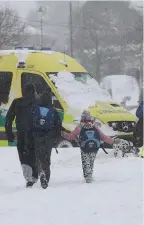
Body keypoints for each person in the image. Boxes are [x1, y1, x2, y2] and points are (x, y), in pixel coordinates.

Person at [61, 110, 121, 183]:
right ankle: (90, 175)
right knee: (91, 162)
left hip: (84, 148)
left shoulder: (79, 127)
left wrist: (64, 134)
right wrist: (113, 141)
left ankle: (87, 177)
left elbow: (71, 136)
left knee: (85, 162)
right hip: (94, 148)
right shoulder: (94, 126)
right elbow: (103, 137)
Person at [5, 83, 38, 187]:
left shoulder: (17, 102)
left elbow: (8, 119)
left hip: (22, 134)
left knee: (23, 156)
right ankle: (36, 175)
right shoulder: (38, 101)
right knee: (34, 155)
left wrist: (9, 134)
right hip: (36, 134)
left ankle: (29, 178)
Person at [31, 91, 62, 189]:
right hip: (49, 136)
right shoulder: (53, 110)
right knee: (46, 157)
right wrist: (56, 138)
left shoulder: (35, 109)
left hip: (37, 135)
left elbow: (30, 122)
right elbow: (58, 125)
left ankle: (41, 173)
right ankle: (46, 176)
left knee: (38, 157)